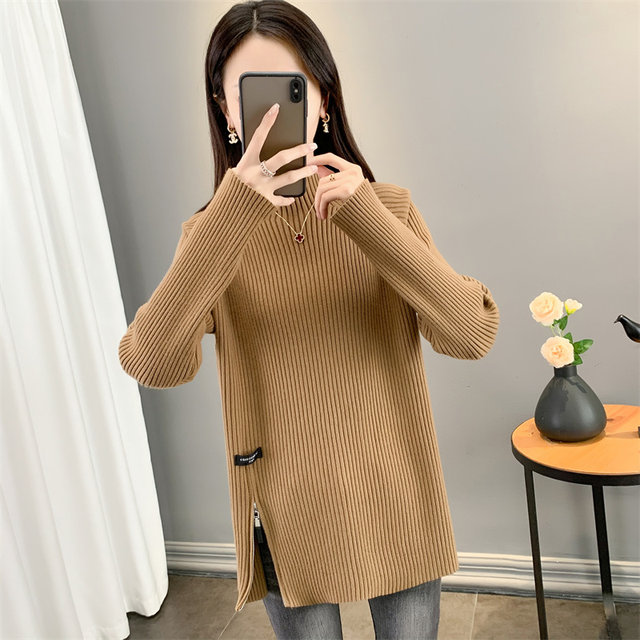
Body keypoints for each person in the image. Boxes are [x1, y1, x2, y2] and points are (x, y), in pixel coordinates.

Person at [119, 1, 500, 638]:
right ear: (226, 111)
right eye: (251, 94)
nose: (272, 114)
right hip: (285, 511)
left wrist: (366, 218)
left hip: (396, 497)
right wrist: (230, 216)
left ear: (322, 99)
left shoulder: (386, 211)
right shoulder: (211, 237)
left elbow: (471, 334)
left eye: (290, 89)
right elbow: (152, 362)